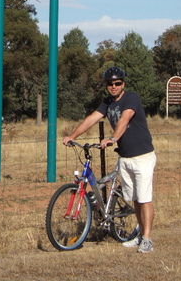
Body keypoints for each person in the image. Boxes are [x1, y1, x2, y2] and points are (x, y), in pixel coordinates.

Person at [63, 66, 156, 253]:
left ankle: (147, 238)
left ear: (123, 84)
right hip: (125, 157)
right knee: (135, 199)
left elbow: (125, 118)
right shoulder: (107, 103)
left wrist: (113, 138)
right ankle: (139, 236)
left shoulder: (131, 98)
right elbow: (92, 118)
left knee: (144, 198)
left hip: (142, 156)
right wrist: (73, 135)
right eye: (110, 84)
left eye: (117, 83)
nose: (113, 87)